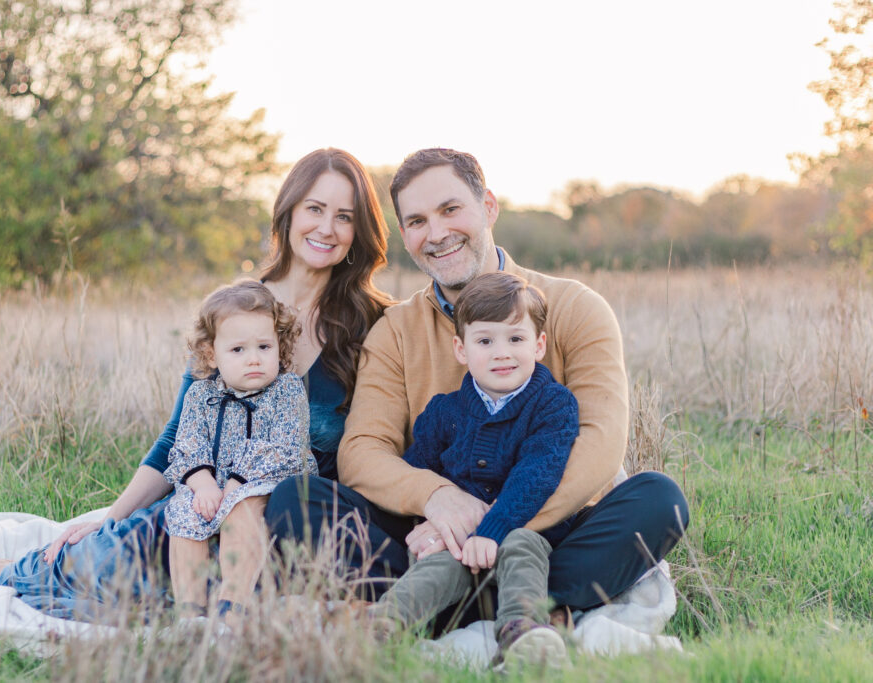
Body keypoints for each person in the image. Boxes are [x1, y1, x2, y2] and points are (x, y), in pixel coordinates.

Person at [0, 148, 394, 620]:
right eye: (315, 208)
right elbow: (181, 434)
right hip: (208, 502)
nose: (327, 228)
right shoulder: (235, 310)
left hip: (291, 521)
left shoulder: (374, 323)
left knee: (179, 600)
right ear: (287, 212)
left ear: (360, 230)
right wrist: (110, 516)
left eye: (345, 216)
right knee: (116, 560)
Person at [266, 148, 690, 621]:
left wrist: (491, 528)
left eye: (451, 210)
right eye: (418, 221)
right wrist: (436, 498)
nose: (438, 233)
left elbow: (601, 444)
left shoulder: (576, 307)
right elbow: (363, 451)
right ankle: (519, 603)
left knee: (659, 500)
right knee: (297, 500)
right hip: (431, 531)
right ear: (405, 236)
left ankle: (443, 604)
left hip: (545, 532)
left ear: (488, 206)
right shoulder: (395, 330)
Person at [369, 271, 578, 668]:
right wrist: (429, 518)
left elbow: (538, 473)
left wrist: (491, 530)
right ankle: (382, 629)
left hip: (520, 530)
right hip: (458, 547)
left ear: (539, 345)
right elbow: (418, 470)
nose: (502, 353)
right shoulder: (444, 412)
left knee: (524, 546)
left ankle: (523, 638)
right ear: (461, 349)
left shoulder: (554, 404)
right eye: (485, 341)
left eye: (515, 339)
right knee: (437, 562)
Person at [163, 280, 317, 618]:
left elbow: (284, 446)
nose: (254, 360)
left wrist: (235, 482)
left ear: (280, 346)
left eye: (264, 347)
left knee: (241, 506)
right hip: (214, 485)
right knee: (184, 509)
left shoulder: (287, 390)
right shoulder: (201, 396)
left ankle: (233, 604)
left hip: (268, 482)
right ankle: (189, 608)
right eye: (238, 350)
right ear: (211, 354)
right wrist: (202, 485)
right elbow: (187, 444)